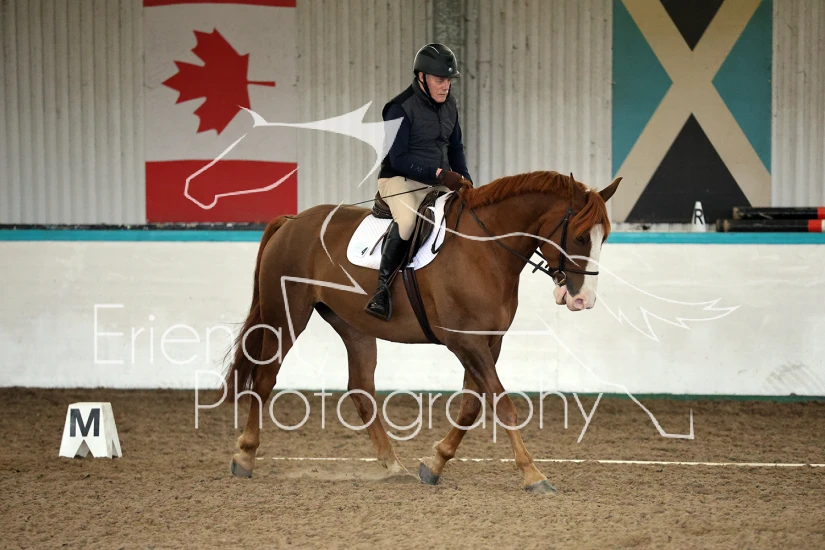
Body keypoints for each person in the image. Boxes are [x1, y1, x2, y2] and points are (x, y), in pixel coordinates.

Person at [365, 43, 473, 322]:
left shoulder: (450, 105)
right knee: (408, 221)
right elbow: (398, 158)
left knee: (464, 216)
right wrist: (440, 175)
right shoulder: (398, 108)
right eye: (440, 80)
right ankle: (382, 290)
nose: (446, 86)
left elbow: (456, 147)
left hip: (437, 180)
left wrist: (465, 179)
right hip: (399, 179)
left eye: (449, 80)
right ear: (422, 77)